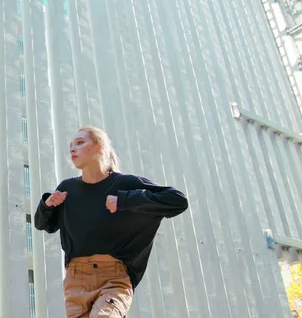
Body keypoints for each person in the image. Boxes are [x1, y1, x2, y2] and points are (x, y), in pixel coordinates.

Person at [34, 126, 189, 318]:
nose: (72, 149)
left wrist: (126, 200)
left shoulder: (125, 183)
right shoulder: (68, 188)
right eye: (71, 145)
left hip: (114, 278)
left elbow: (177, 200)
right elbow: (43, 224)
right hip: (76, 280)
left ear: (100, 147)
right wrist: (47, 205)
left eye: (80, 142)